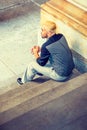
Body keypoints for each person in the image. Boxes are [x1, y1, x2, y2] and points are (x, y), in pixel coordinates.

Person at [17, 21, 74, 85]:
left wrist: (36, 53)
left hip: (61, 76)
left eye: (42, 30)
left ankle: (23, 82)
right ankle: (39, 71)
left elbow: (41, 63)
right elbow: (53, 49)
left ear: (49, 32)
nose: (41, 32)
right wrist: (41, 49)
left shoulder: (46, 46)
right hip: (70, 69)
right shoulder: (61, 36)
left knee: (32, 65)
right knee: (44, 58)